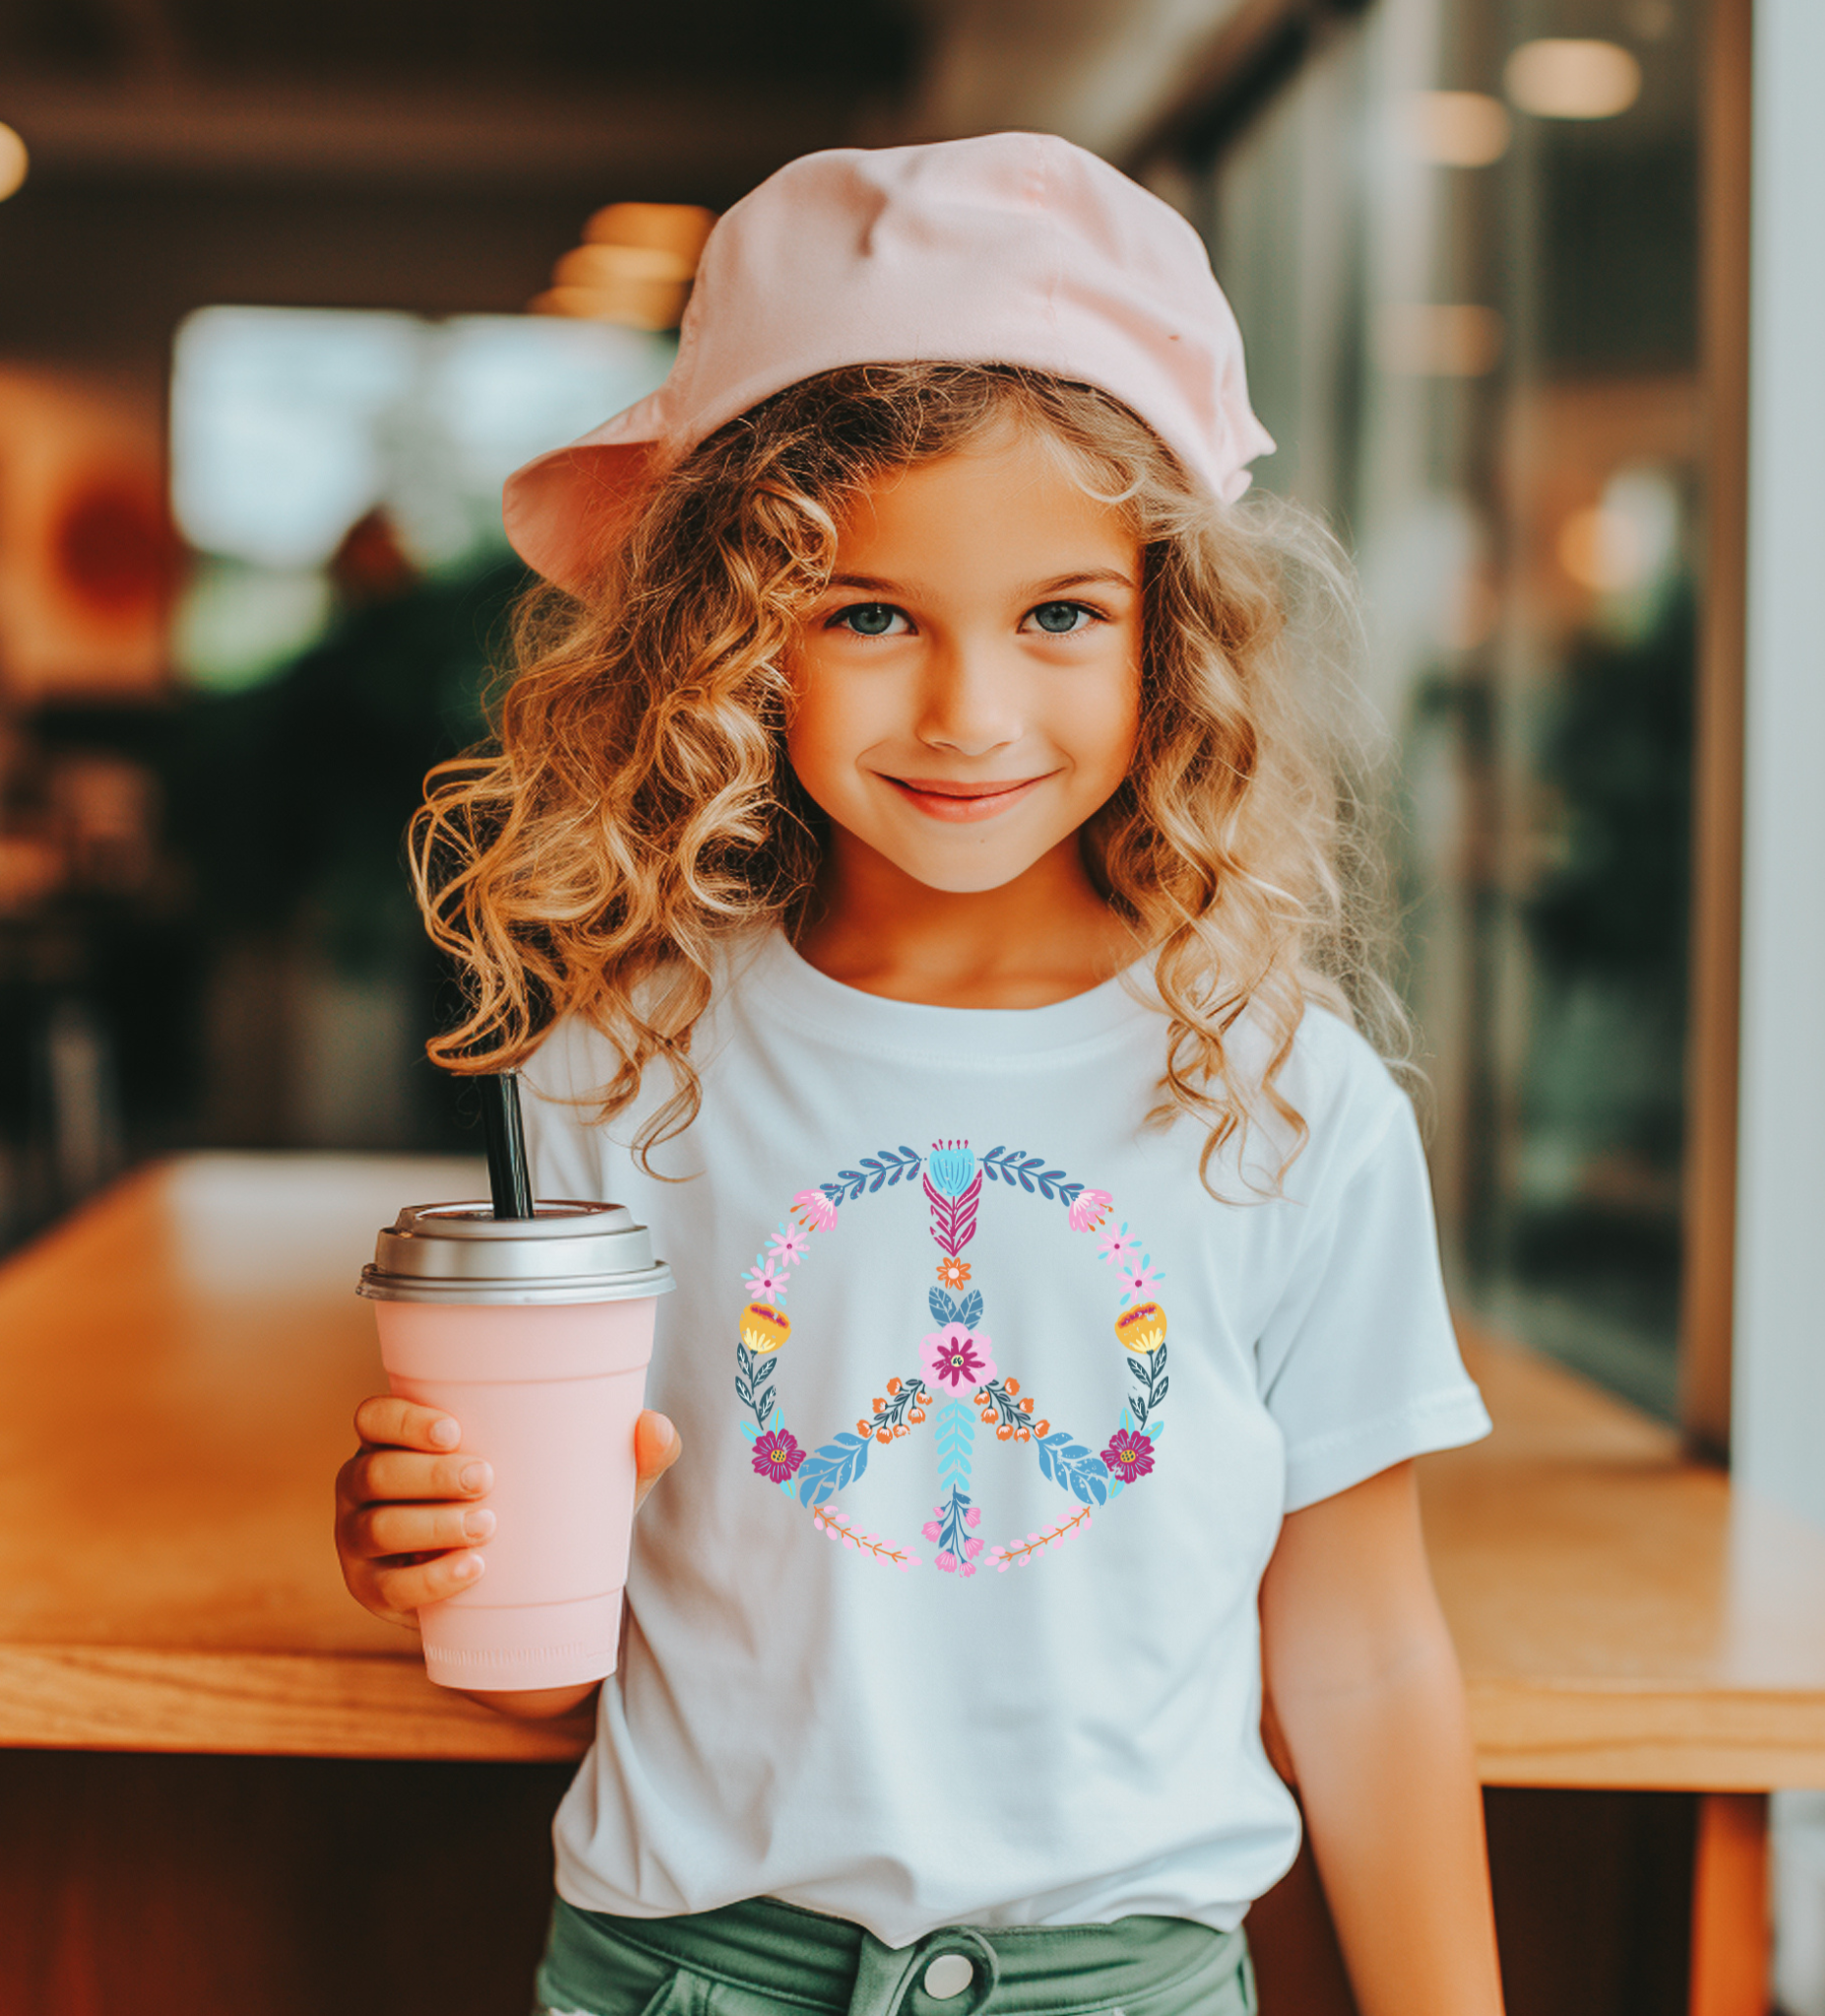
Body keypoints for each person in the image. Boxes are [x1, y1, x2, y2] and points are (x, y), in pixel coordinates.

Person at [333, 134, 1504, 2016]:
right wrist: (436, 1549)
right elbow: (541, 1667)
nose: (969, 710)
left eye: (1060, 613)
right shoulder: (612, 1072)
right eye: (869, 611)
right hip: (676, 1971)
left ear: (1167, 637)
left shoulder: (1288, 1101)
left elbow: (1361, 1654)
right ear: (733, 638)